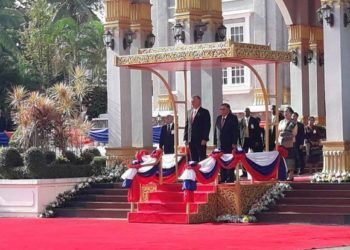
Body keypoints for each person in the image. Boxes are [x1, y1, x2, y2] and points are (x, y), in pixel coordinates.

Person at [214, 103, 239, 183]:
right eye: (220, 109)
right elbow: (216, 131)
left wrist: (234, 142)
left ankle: (230, 178)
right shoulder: (218, 118)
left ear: (228, 109)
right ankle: (223, 177)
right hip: (220, 144)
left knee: (229, 161)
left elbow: (236, 131)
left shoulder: (233, 118)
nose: (222, 111)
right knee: (221, 161)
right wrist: (215, 142)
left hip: (229, 144)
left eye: (223, 109)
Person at [184, 96, 211, 162]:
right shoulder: (189, 112)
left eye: (194, 101)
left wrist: (205, 138)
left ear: (199, 102)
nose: (192, 102)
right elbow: (187, 126)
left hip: (200, 140)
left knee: (201, 159)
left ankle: (201, 172)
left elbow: (207, 126)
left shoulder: (204, 112)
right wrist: (186, 138)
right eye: (192, 101)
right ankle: (194, 171)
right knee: (193, 158)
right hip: (191, 140)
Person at [278, 106, 298, 181]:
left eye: (287, 111)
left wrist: (284, 134)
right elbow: (279, 132)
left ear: (291, 113)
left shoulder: (293, 123)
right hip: (281, 143)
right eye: (284, 112)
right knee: (283, 160)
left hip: (290, 143)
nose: (285, 113)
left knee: (290, 159)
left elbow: (294, 133)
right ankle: (284, 174)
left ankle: (291, 175)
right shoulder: (281, 122)